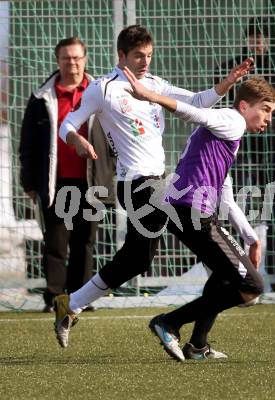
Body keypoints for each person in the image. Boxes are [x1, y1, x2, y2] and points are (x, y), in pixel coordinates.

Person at [52, 25, 253, 348]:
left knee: (136, 260)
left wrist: (226, 84)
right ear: (121, 56)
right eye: (138, 56)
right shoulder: (103, 89)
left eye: (148, 55)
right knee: (201, 232)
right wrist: (76, 140)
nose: (145, 62)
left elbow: (198, 102)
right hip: (136, 186)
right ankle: (190, 316)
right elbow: (67, 124)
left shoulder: (155, 85)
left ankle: (71, 303)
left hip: (157, 181)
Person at [123, 69, 275, 362]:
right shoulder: (232, 120)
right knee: (252, 285)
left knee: (224, 276)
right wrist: (149, 96)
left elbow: (225, 194)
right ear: (244, 106)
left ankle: (198, 346)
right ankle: (169, 322)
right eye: (265, 110)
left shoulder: (225, 137)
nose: (268, 118)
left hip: (186, 212)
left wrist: (250, 237)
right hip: (192, 212)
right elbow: (195, 113)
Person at [19, 37, 115, 313]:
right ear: (57, 60)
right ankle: (54, 297)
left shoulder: (101, 94)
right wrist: (28, 181)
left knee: (84, 241)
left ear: (85, 59)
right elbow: (27, 145)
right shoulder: (41, 99)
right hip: (55, 182)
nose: (71, 63)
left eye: (76, 57)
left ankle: (79, 299)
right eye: (66, 58)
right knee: (56, 241)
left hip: (92, 180)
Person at [216, 17, 275, 278]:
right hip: (239, 151)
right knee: (236, 211)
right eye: (253, 36)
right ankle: (238, 272)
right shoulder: (232, 69)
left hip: (273, 150)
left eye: (262, 37)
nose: (258, 42)